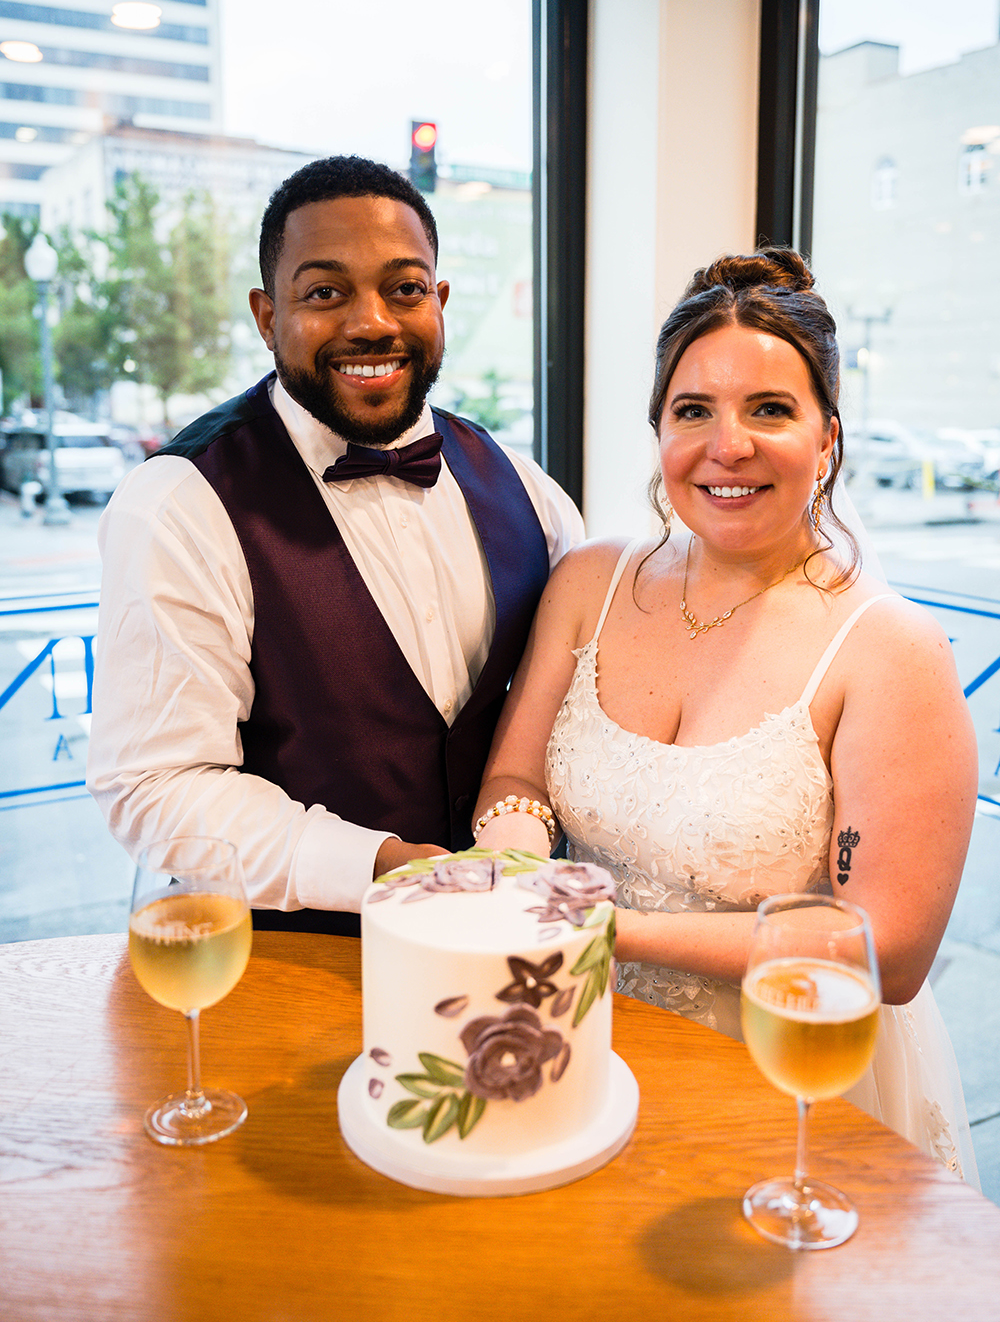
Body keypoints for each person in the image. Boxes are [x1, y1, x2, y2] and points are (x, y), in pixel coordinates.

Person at [471, 248, 979, 1183]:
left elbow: (890, 951)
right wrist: (513, 861)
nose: (728, 445)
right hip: (582, 1037)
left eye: (771, 411)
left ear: (827, 437)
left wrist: (594, 928)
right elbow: (514, 777)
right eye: (693, 410)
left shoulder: (888, 651)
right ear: (659, 432)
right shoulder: (591, 581)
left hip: (790, 1069)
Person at [87, 155, 583, 936]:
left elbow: (574, 720)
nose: (372, 322)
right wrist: (382, 867)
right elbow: (157, 786)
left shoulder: (530, 493)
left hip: (504, 954)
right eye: (325, 293)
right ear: (265, 315)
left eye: (405, 288)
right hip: (289, 970)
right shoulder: (181, 505)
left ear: (440, 302)